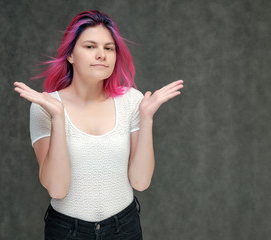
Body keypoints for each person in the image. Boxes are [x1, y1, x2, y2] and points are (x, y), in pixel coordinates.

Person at [14, 10, 183, 240]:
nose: (101, 54)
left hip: (124, 228)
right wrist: (58, 118)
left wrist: (147, 118)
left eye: (109, 48)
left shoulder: (132, 101)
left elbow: (141, 182)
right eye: (90, 46)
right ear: (70, 55)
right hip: (66, 231)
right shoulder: (46, 106)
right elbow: (57, 189)